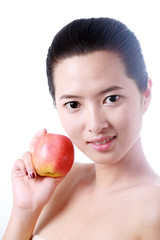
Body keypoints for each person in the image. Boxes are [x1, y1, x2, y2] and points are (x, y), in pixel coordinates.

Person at [3, 17, 160, 240]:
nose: (95, 125)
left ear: (145, 95)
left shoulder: (154, 210)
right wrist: (25, 210)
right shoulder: (55, 185)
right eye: (74, 104)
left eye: (111, 98)